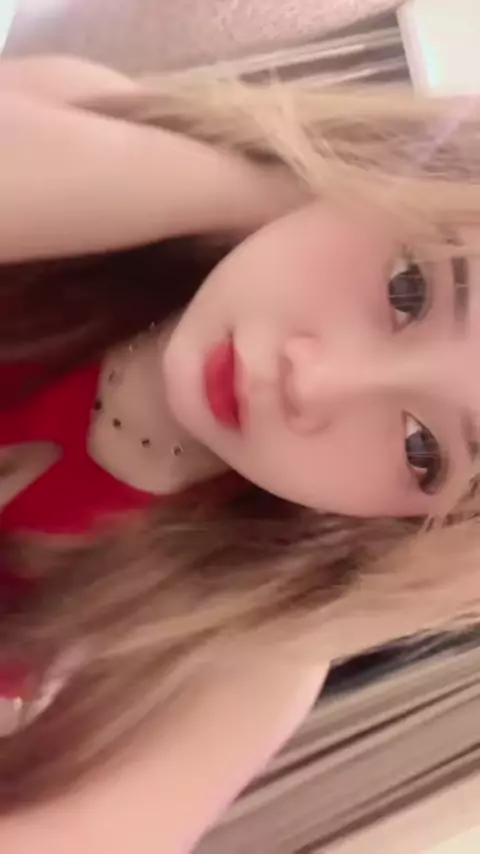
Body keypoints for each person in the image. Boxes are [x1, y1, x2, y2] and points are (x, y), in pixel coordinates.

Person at [1, 55, 480, 852]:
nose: (317, 382)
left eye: (423, 449)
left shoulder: (248, 657)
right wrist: (270, 187)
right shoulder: (84, 130)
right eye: (411, 287)